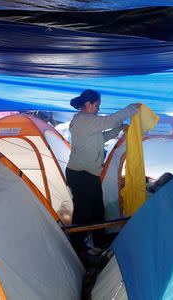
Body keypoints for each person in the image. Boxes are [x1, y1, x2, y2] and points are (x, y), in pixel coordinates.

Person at [66, 89, 141, 255]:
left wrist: (118, 130)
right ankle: (78, 248)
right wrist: (131, 109)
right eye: (97, 105)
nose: (98, 109)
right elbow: (110, 121)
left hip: (87, 173)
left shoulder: (85, 121)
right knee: (83, 213)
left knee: (97, 210)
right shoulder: (85, 120)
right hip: (81, 174)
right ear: (87, 104)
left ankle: (99, 241)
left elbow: (100, 138)